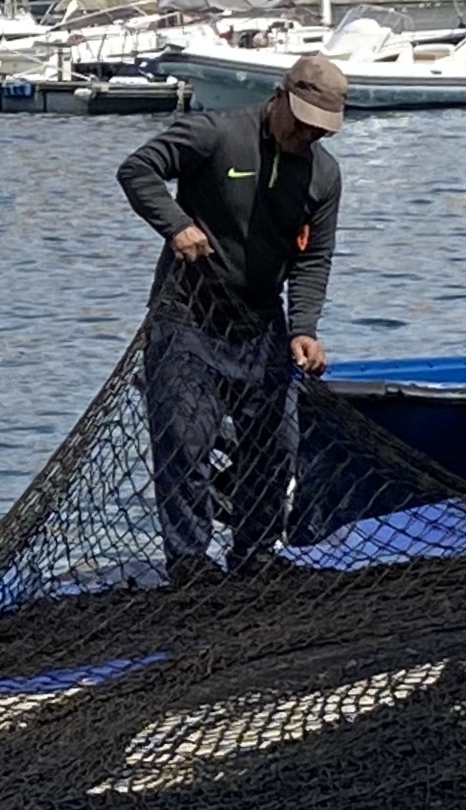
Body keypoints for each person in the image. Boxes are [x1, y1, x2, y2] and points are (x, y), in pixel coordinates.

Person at [117, 56, 345, 581]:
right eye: (303, 122)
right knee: (185, 443)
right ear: (280, 96)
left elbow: (314, 257)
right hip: (187, 318)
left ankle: (256, 553)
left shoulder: (324, 174)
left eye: (320, 129)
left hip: (262, 325)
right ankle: (189, 561)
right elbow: (137, 170)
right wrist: (175, 225)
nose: (308, 135)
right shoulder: (215, 134)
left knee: (276, 445)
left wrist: (304, 327)